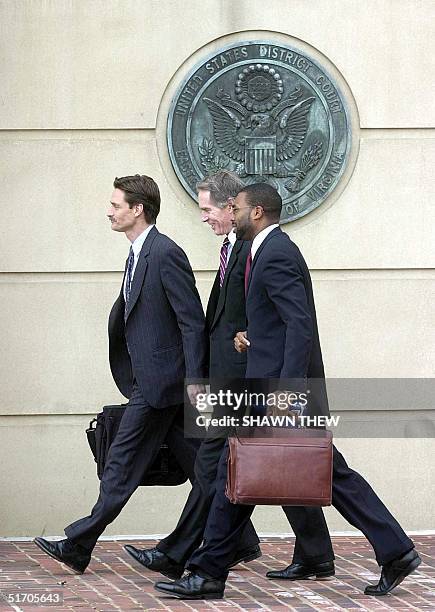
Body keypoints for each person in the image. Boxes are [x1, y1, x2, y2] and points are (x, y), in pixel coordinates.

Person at [154, 183, 421, 600]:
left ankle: (208, 574)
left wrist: (288, 393)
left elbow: (300, 325)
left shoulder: (274, 253)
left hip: (279, 391)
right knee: (294, 473)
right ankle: (395, 550)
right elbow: (280, 320)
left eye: (236, 208)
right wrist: (252, 336)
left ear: (256, 211)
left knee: (246, 471)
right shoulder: (266, 250)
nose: (231, 212)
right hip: (273, 383)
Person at [126, 171, 334, 581]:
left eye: (209, 209)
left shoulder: (251, 248)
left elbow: (273, 316)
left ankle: (185, 552)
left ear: (232, 206)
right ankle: (309, 551)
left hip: (243, 380)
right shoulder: (234, 248)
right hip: (231, 375)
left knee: (220, 467)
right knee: (269, 467)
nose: (204, 217)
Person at [33, 174, 206, 574]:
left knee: (121, 462)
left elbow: (191, 324)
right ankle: (240, 541)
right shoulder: (138, 254)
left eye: (115, 205)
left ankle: (79, 543)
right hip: (154, 383)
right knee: (204, 469)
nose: (109, 211)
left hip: (162, 384)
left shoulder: (164, 253)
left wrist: (195, 384)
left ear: (137, 209)